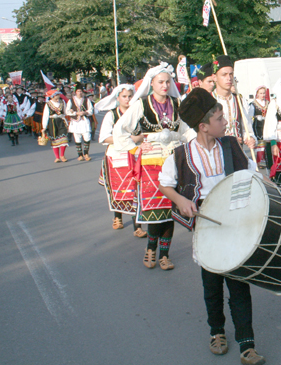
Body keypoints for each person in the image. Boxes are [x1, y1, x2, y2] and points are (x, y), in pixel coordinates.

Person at [158, 89, 265, 365]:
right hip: (206, 228)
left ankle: (247, 344)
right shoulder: (181, 155)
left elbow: (253, 175)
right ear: (203, 126)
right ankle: (216, 331)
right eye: (219, 119)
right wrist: (181, 200)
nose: (225, 122)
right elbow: (165, 183)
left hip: (236, 223)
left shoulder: (230, 146)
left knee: (240, 284)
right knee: (212, 285)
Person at [113, 63, 195, 270]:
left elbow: (187, 131)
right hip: (151, 164)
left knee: (170, 210)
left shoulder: (178, 103)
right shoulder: (141, 104)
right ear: (152, 83)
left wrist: (188, 145)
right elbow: (120, 129)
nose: (165, 85)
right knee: (154, 211)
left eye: (168, 81)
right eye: (161, 82)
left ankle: (164, 255)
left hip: (174, 162)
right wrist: (135, 146)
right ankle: (150, 249)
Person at [96, 84, 148, 237]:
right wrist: (131, 139)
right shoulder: (111, 115)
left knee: (135, 190)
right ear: (117, 98)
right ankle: (117, 217)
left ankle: (137, 226)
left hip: (135, 155)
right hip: (116, 156)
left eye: (130, 96)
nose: (127, 99)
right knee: (119, 189)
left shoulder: (139, 113)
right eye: (124, 96)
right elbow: (104, 137)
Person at [211, 55, 256, 149]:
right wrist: (228, 139)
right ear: (214, 77)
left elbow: (246, 128)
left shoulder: (239, 100)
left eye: (231, 74)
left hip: (237, 152)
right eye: (224, 75)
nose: (229, 78)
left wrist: (250, 138)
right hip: (215, 153)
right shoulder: (209, 100)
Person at [66, 84, 94, 161]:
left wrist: (85, 113)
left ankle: (86, 153)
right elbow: (67, 111)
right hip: (75, 121)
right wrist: (75, 113)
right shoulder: (71, 100)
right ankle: (80, 155)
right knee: (77, 138)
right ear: (75, 92)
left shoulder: (86, 100)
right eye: (78, 91)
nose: (80, 93)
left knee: (87, 137)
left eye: (81, 91)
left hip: (84, 121)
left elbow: (91, 110)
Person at [41, 90, 69, 162]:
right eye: (56, 98)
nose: (57, 100)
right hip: (52, 123)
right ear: (52, 97)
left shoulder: (62, 103)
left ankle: (62, 155)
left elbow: (66, 112)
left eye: (58, 98)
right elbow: (45, 116)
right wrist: (44, 126)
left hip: (61, 122)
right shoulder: (48, 104)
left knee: (64, 139)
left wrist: (70, 112)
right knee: (55, 140)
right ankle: (57, 157)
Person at [248, 85, 269, 168]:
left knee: (266, 142)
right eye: (261, 93)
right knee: (260, 143)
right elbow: (250, 116)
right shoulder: (253, 104)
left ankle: (266, 160)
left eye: (264, 93)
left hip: (266, 124)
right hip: (258, 125)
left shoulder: (267, 103)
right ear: (257, 94)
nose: (263, 95)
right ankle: (260, 161)